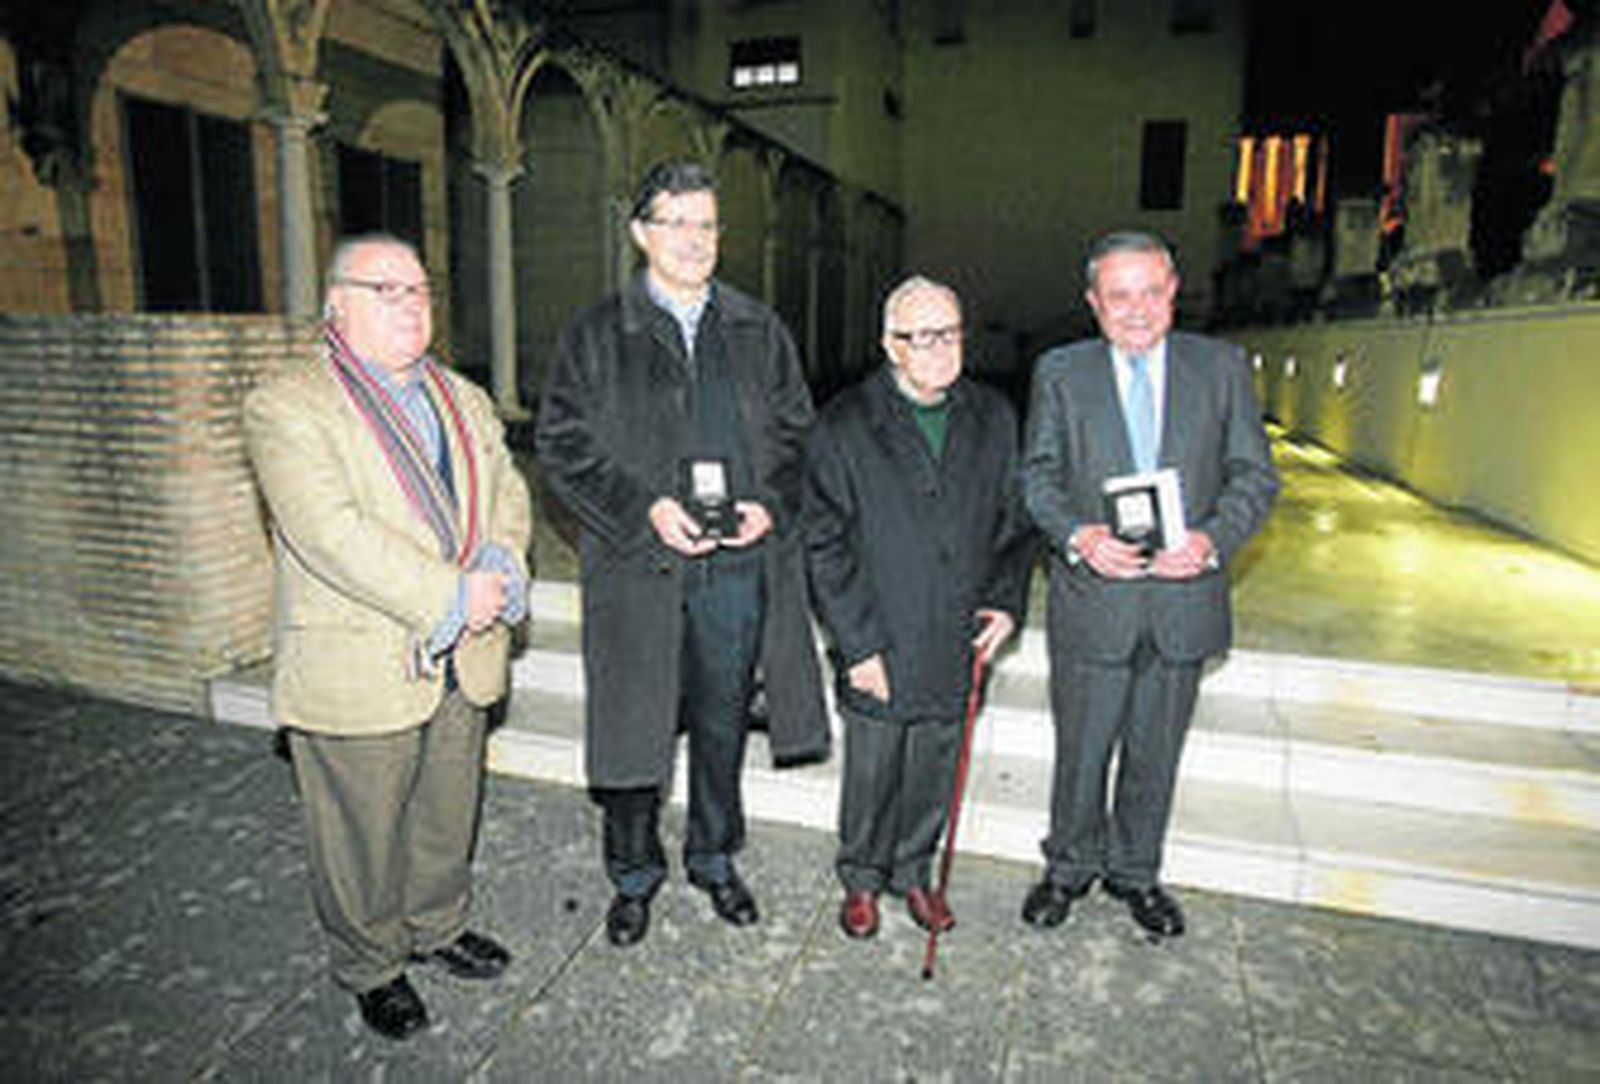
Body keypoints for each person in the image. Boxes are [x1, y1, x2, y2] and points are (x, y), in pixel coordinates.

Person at [535, 161, 828, 948]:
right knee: (634, 733)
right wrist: (645, 509)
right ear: (641, 233)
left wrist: (769, 505)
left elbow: (801, 439)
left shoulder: (759, 329)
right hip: (639, 568)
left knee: (724, 723)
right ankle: (633, 876)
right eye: (677, 223)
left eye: (707, 224)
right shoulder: (599, 332)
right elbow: (560, 444)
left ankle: (714, 856)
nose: (694, 239)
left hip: (733, 569)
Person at [244, 235, 531, 1040]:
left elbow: (507, 490)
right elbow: (327, 532)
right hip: (361, 653)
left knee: (448, 805)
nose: (410, 304)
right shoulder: (288, 403)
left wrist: (502, 563)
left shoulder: (462, 396)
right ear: (336, 304)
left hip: (464, 650)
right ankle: (370, 963)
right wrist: (453, 595)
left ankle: (437, 924)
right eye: (385, 289)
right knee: (359, 830)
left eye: (419, 290)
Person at [1019, 231, 1278, 939]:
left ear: (1173, 292)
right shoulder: (1061, 373)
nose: (1136, 309)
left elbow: (1254, 476)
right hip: (1094, 602)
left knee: (1155, 752)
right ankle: (1067, 868)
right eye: (1118, 296)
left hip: (1181, 601)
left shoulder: (1221, 368)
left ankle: (1136, 873)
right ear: (1093, 303)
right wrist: (1079, 537)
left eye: (1150, 292)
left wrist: (1211, 540)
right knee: (1081, 751)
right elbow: (1036, 477)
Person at [804, 276, 1034, 939]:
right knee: (874, 768)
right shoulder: (843, 423)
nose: (940, 348)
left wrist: (1004, 602)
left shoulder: (994, 416)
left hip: (958, 630)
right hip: (880, 631)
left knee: (935, 762)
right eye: (922, 336)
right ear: (890, 345)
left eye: (951, 333)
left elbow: (1016, 525)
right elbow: (824, 544)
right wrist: (858, 647)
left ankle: (913, 872)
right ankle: (862, 877)